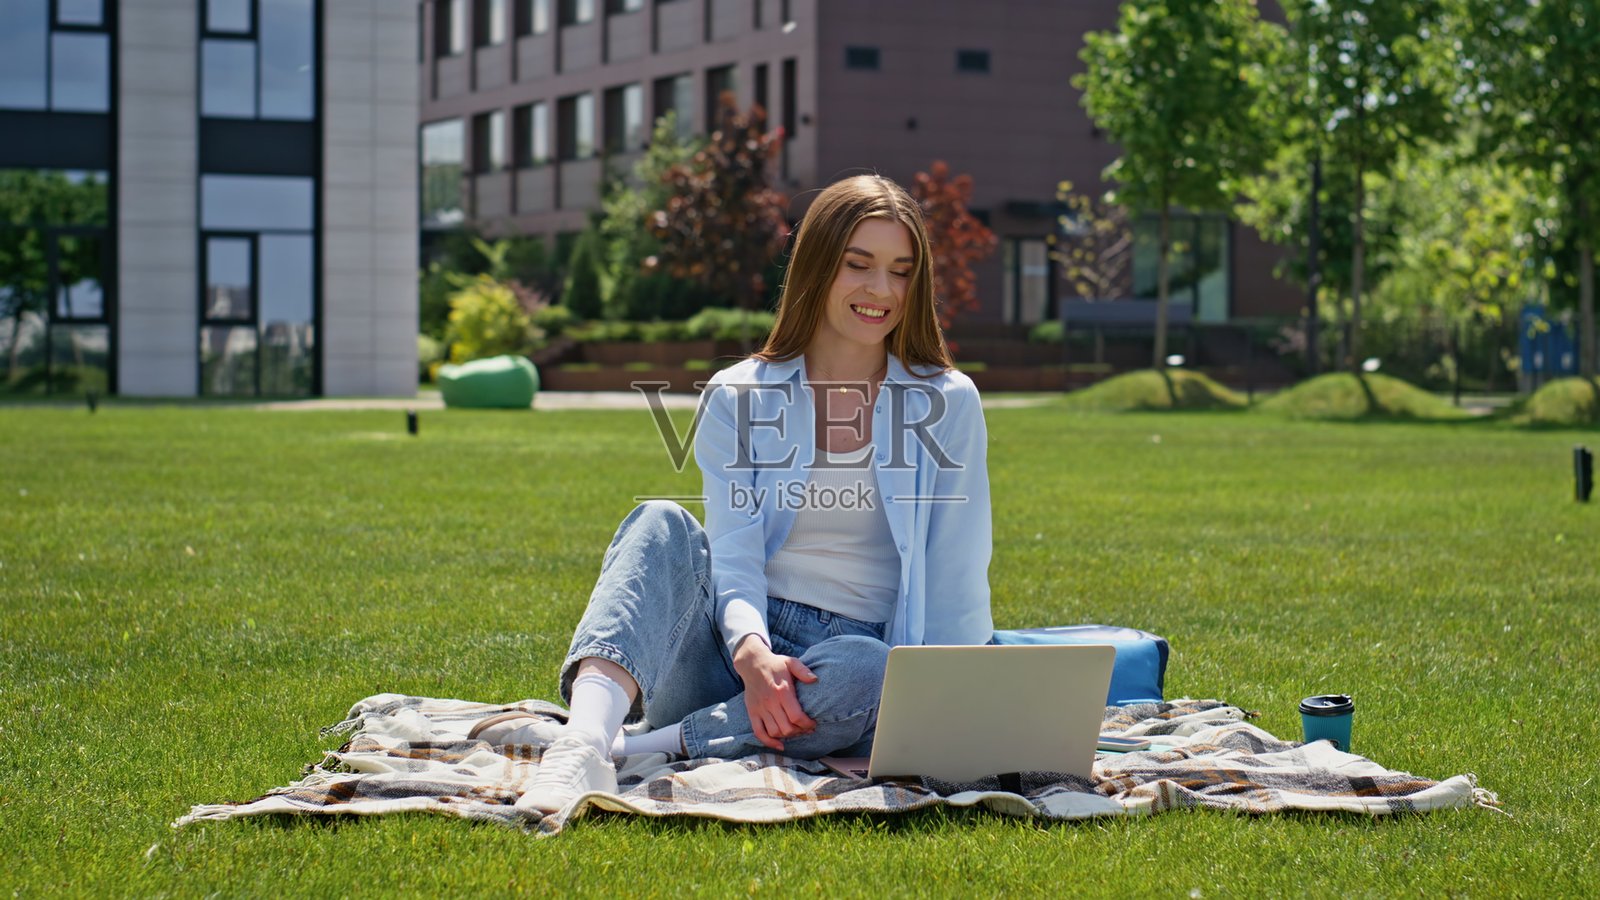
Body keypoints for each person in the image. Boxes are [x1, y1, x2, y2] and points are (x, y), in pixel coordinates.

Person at [480, 174, 993, 814]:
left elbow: (956, 569)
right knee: (660, 520)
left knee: (873, 669)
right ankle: (581, 744)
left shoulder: (945, 400)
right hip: (729, 651)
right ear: (816, 266)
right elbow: (734, 547)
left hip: (844, 671)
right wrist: (752, 652)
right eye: (858, 265)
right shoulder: (739, 392)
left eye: (901, 271)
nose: (881, 290)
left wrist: (956, 702)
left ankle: (639, 748)